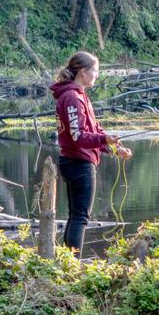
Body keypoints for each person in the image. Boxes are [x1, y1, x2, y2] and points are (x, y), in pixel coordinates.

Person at [50, 51, 131, 252]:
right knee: (80, 217)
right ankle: (72, 265)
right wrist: (104, 139)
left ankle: (68, 262)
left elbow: (93, 132)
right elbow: (78, 137)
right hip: (78, 163)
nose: (97, 75)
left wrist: (114, 149)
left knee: (76, 216)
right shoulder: (72, 97)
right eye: (95, 70)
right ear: (83, 72)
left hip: (75, 161)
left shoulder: (79, 95)